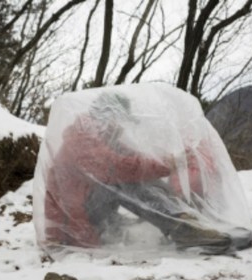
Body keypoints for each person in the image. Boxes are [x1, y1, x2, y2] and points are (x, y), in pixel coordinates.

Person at [44, 92, 232, 252]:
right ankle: (181, 228)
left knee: (142, 178)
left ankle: (183, 219)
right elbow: (119, 168)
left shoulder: (102, 135)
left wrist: (168, 162)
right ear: (107, 116)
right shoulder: (82, 137)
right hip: (72, 225)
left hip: (92, 213)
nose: (122, 125)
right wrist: (168, 164)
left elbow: (137, 160)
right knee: (120, 182)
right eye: (119, 120)